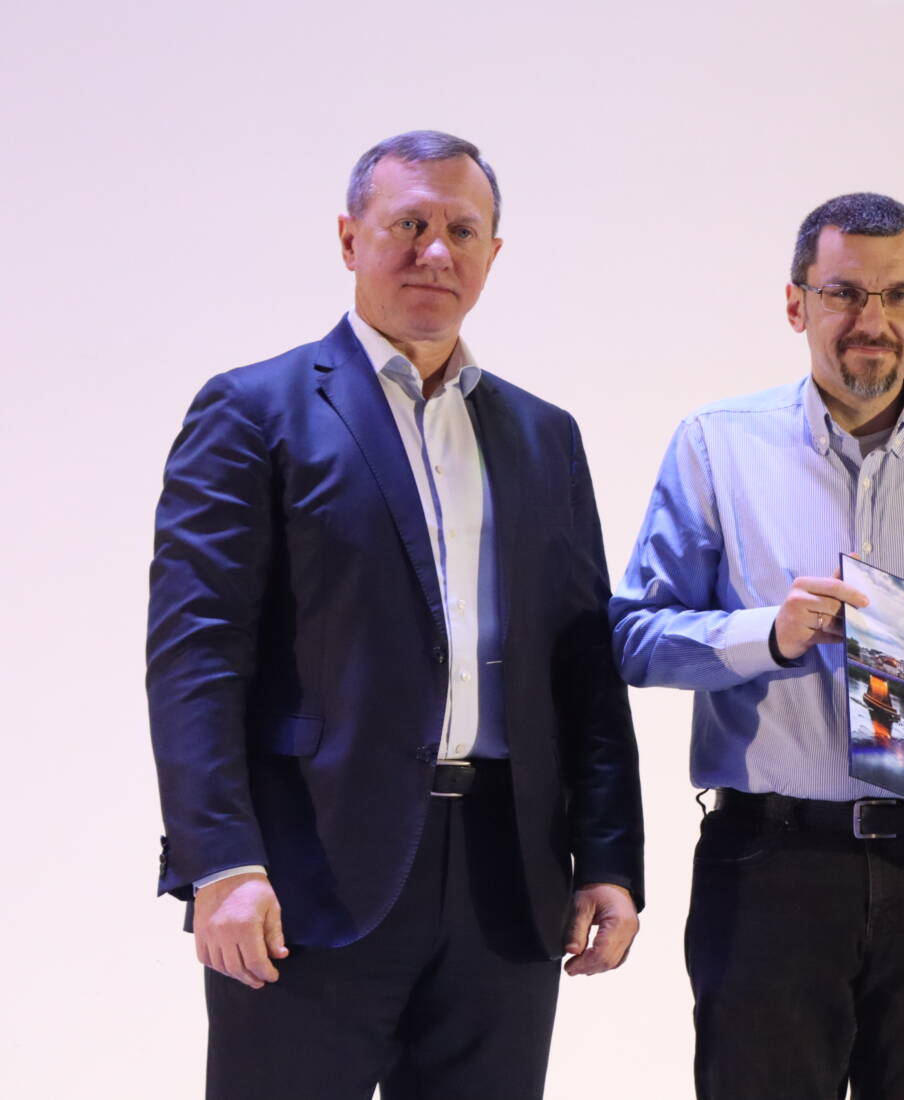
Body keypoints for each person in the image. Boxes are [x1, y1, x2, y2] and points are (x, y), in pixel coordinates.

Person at [146, 130, 645, 1100]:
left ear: (493, 253)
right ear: (350, 238)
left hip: (507, 880)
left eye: (463, 230)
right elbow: (197, 657)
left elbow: (584, 665)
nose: (436, 251)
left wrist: (609, 856)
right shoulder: (254, 410)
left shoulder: (544, 435)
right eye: (409, 224)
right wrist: (222, 861)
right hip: (305, 876)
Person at [610, 192, 904, 1100]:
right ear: (796, 304)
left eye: (898, 295)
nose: (873, 321)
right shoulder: (716, 447)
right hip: (770, 869)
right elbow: (635, 637)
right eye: (843, 294)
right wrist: (768, 634)